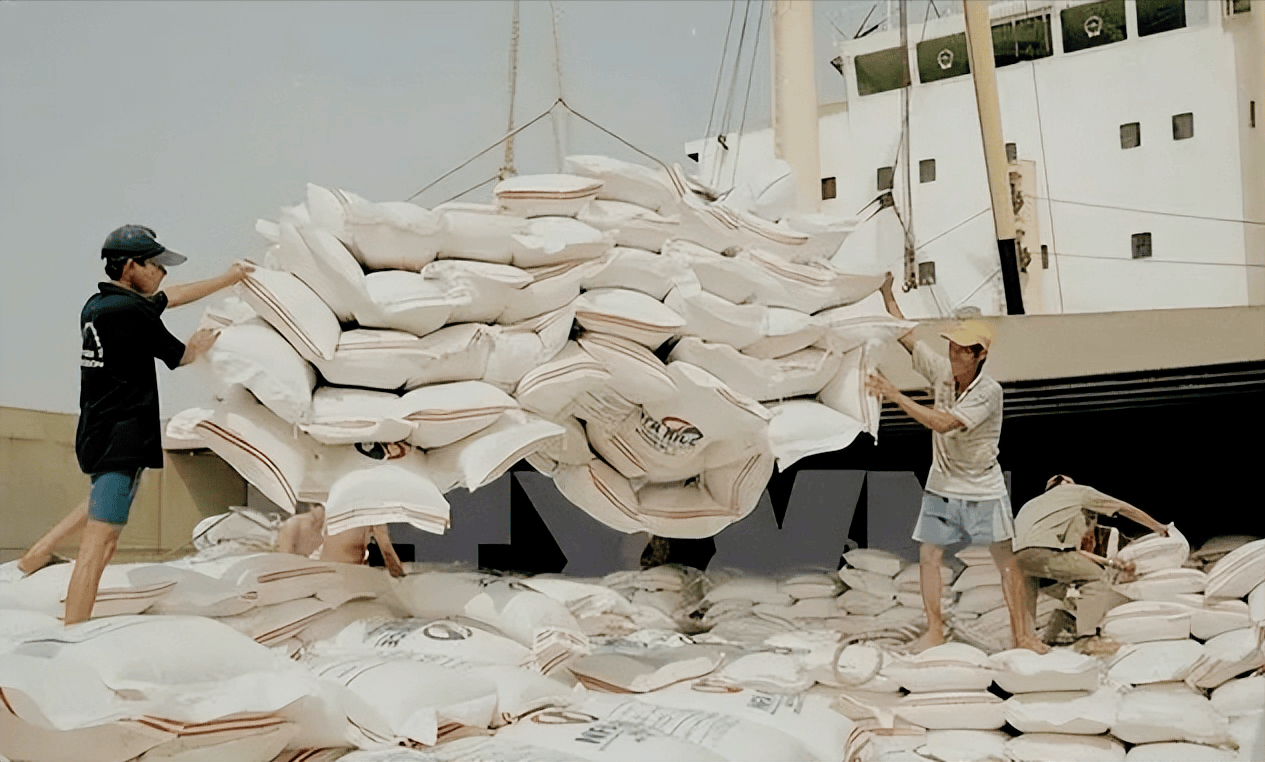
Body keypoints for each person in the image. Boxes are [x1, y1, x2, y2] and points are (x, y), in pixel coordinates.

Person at [19, 224, 251, 624]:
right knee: (102, 544)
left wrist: (227, 280)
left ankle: (36, 554)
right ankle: (74, 631)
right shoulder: (132, 312)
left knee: (102, 501)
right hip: (121, 437)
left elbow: (166, 299)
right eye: (156, 264)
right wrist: (197, 345)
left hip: (96, 430)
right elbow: (180, 357)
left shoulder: (98, 306)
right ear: (130, 266)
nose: (163, 272)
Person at [866, 272, 1046, 653]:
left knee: (1007, 563)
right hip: (943, 484)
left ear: (980, 355)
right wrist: (886, 293)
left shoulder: (989, 392)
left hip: (983, 486)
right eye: (951, 346)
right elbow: (906, 334)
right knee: (929, 557)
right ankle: (935, 630)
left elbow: (944, 424)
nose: (953, 353)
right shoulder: (944, 374)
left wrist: (896, 395)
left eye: (963, 349)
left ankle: (1024, 636)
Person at [1013, 474, 1169, 645]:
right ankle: (1087, 639)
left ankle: (1027, 641)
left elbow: (1074, 553)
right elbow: (1124, 508)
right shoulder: (1079, 492)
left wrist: (1110, 562)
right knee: (1096, 580)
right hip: (1047, 553)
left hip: (1018, 558)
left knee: (1036, 602)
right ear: (1070, 485)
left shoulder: (1031, 505)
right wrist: (1158, 527)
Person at [277, 504, 407, 577]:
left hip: (342, 576)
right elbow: (389, 555)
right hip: (337, 576)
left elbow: (388, 553)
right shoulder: (296, 525)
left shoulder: (370, 515)